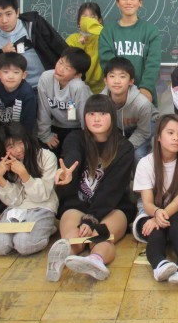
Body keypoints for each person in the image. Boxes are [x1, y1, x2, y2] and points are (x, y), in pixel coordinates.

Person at [47, 94, 136, 282]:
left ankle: (95, 261)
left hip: (112, 207)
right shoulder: (75, 138)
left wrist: (91, 219)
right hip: (78, 203)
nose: (96, 119)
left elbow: (112, 189)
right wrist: (68, 171)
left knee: (100, 236)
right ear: (84, 117)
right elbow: (73, 155)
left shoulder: (124, 147)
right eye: (91, 114)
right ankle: (60, 260)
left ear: (112, 116)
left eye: (102, 114)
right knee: (72, 236)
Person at [132, 114, 178, 283]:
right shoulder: (145, 163)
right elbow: (147, 202)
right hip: (150, 210)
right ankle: (159, 266)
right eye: (170, 133)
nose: (176, 138)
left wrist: (159, 217)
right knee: (156, 234)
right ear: (159, 137)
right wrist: (156, 214)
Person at [0, 123, 58, 256]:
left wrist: (24, 175)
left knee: (23, 244)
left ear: (27, 139)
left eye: (20, 143)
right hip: (16, 210)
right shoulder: (8, 164)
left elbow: (42, 196)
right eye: (11, 146)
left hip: (41, 207)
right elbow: (14, 201)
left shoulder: (47, 157)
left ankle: (47, 229)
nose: (18, 150)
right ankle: (29, 233)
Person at [0, 0, 67, 88]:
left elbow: (61, 48)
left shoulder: (34, 25)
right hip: (14, 92)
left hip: (48, 86)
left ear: (17, 12)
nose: (4, 20)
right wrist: (0, 54)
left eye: (8, 14)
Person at [99, 0, 161, 104]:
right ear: (117, 3)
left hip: (144, 92)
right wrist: (122, 88)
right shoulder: (107, 31)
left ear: (140, 2)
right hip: (116, 92)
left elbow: (153, 63)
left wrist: (146, 87)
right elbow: (106, 61)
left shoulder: (150, 30)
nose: (128, 2)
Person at [102, 57, 159, 164]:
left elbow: (143, 132)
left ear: (131, 81)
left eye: (122, 76)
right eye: (112, 76)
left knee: (137, 154)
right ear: (105, 80)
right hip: (122, 128)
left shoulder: (142, 103)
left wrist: (124, 148)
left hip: (146, 126)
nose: (117, 81)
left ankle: (140, 175)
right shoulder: (101, 101)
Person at [37, 47, 92, 153]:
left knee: (72, 152)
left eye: (67, 68)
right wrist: (45, 135)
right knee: (44, 154)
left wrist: (88, 142)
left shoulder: (79, 88)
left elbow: (85, 117)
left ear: (77, 75)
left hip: (77, 128)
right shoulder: (46, 78)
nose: (60, 69)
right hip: (55, 126)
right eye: (60, 62)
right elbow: (43, 109)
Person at [0, 52, 37, 136]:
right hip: (0, 126)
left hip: (21, 130)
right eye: (6, 72)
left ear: (24, 75)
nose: (11, 76)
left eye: (16, 72)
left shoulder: (27, 93)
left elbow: (28, 122)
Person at [66, 2, 105, 94]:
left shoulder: (104, 38)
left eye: (92, 17)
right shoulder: (72, 39)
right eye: (84, 17)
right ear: (79, 21)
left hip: (102, 89)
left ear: (99, 20)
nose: (88, 20)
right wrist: (80, 45)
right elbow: (68, 65)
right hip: (77, 89)